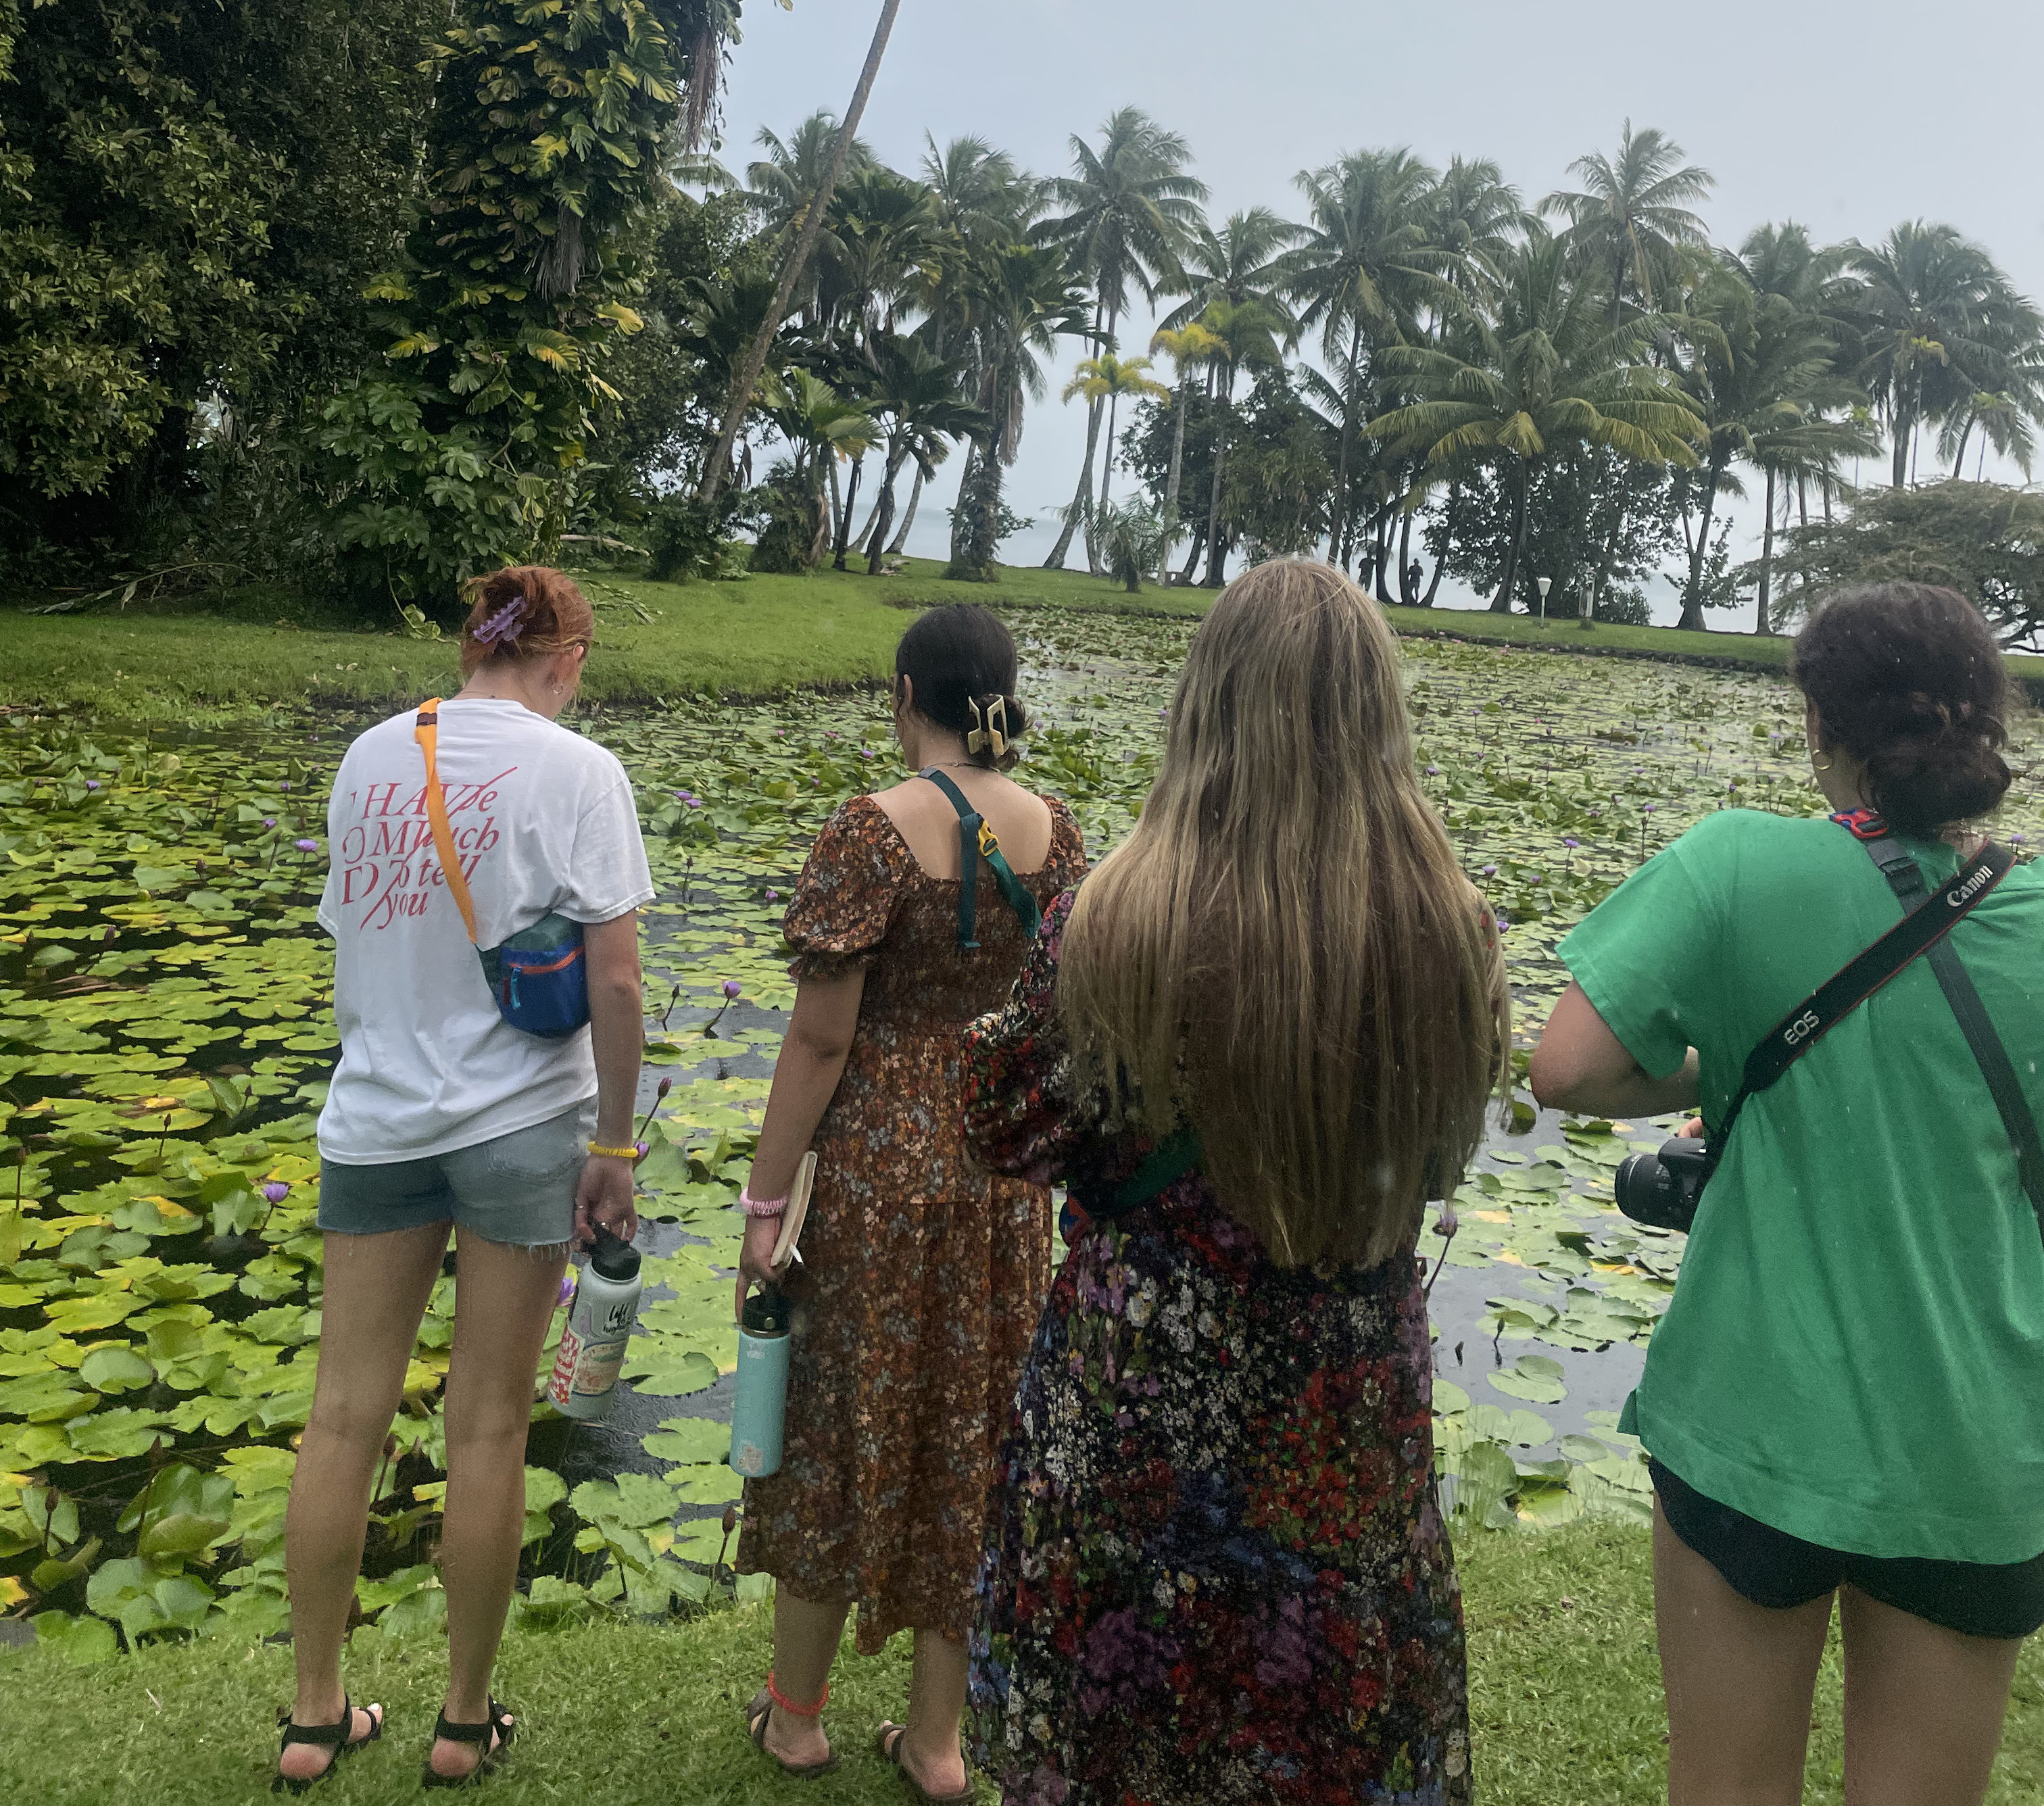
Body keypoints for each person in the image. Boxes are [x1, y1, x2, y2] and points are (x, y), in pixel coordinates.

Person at [962, 558, 1508, 1806]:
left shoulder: (1113, 924)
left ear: (1200, 708)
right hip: (1342, 1432)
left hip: (1134, 1411)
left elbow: (1001, 1122)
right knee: (1319, 1745)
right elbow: (1440, 1149)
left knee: (1119, 1747)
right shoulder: (1449, 930)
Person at [1531, 581, 2044, 1806]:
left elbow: (1569, 1067)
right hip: (1971, 1450)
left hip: (1752, 1424)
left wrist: (1735, 1052)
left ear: (1822, 725)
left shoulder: (1735, 865)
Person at [276, 566, 650, 1792]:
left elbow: (359, 936)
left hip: (374, 1122)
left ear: (469, 648)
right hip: (520, 1130)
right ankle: (461, 1719)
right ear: (568, 658)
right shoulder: (579, 772)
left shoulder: (368, 758)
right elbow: (619, 985)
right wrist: (613, 1148)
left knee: (342, 1418)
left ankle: (314, 1718)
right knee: (487, 1427)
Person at [735, 603, 1086, 1797]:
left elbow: (823, 1040)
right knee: (974, 1441)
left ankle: (797, 1720)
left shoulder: (868, 834)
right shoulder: (1058, 833)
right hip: (1000, 1185)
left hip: (883, 1180)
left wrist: (766, 1198)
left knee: (841, 1426)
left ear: (904, 697)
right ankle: (938, 1745)